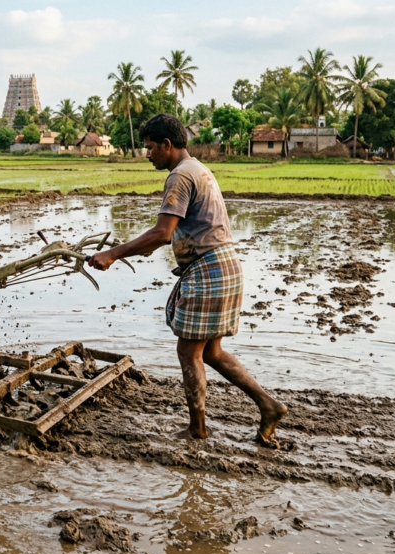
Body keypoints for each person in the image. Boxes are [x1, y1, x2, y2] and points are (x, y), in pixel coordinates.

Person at [88, 113, 287, 447]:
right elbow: (175, 231)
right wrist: (152, 244)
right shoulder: (198, 169)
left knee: (188, 352)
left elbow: (162, 233)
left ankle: (197, 430)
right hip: (224, 264)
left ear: (167, 145)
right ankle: (269, 405)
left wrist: (113, 253)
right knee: (211, 352)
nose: (147, 154)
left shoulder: (179, 177)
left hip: (208, 269)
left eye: (150, 148)